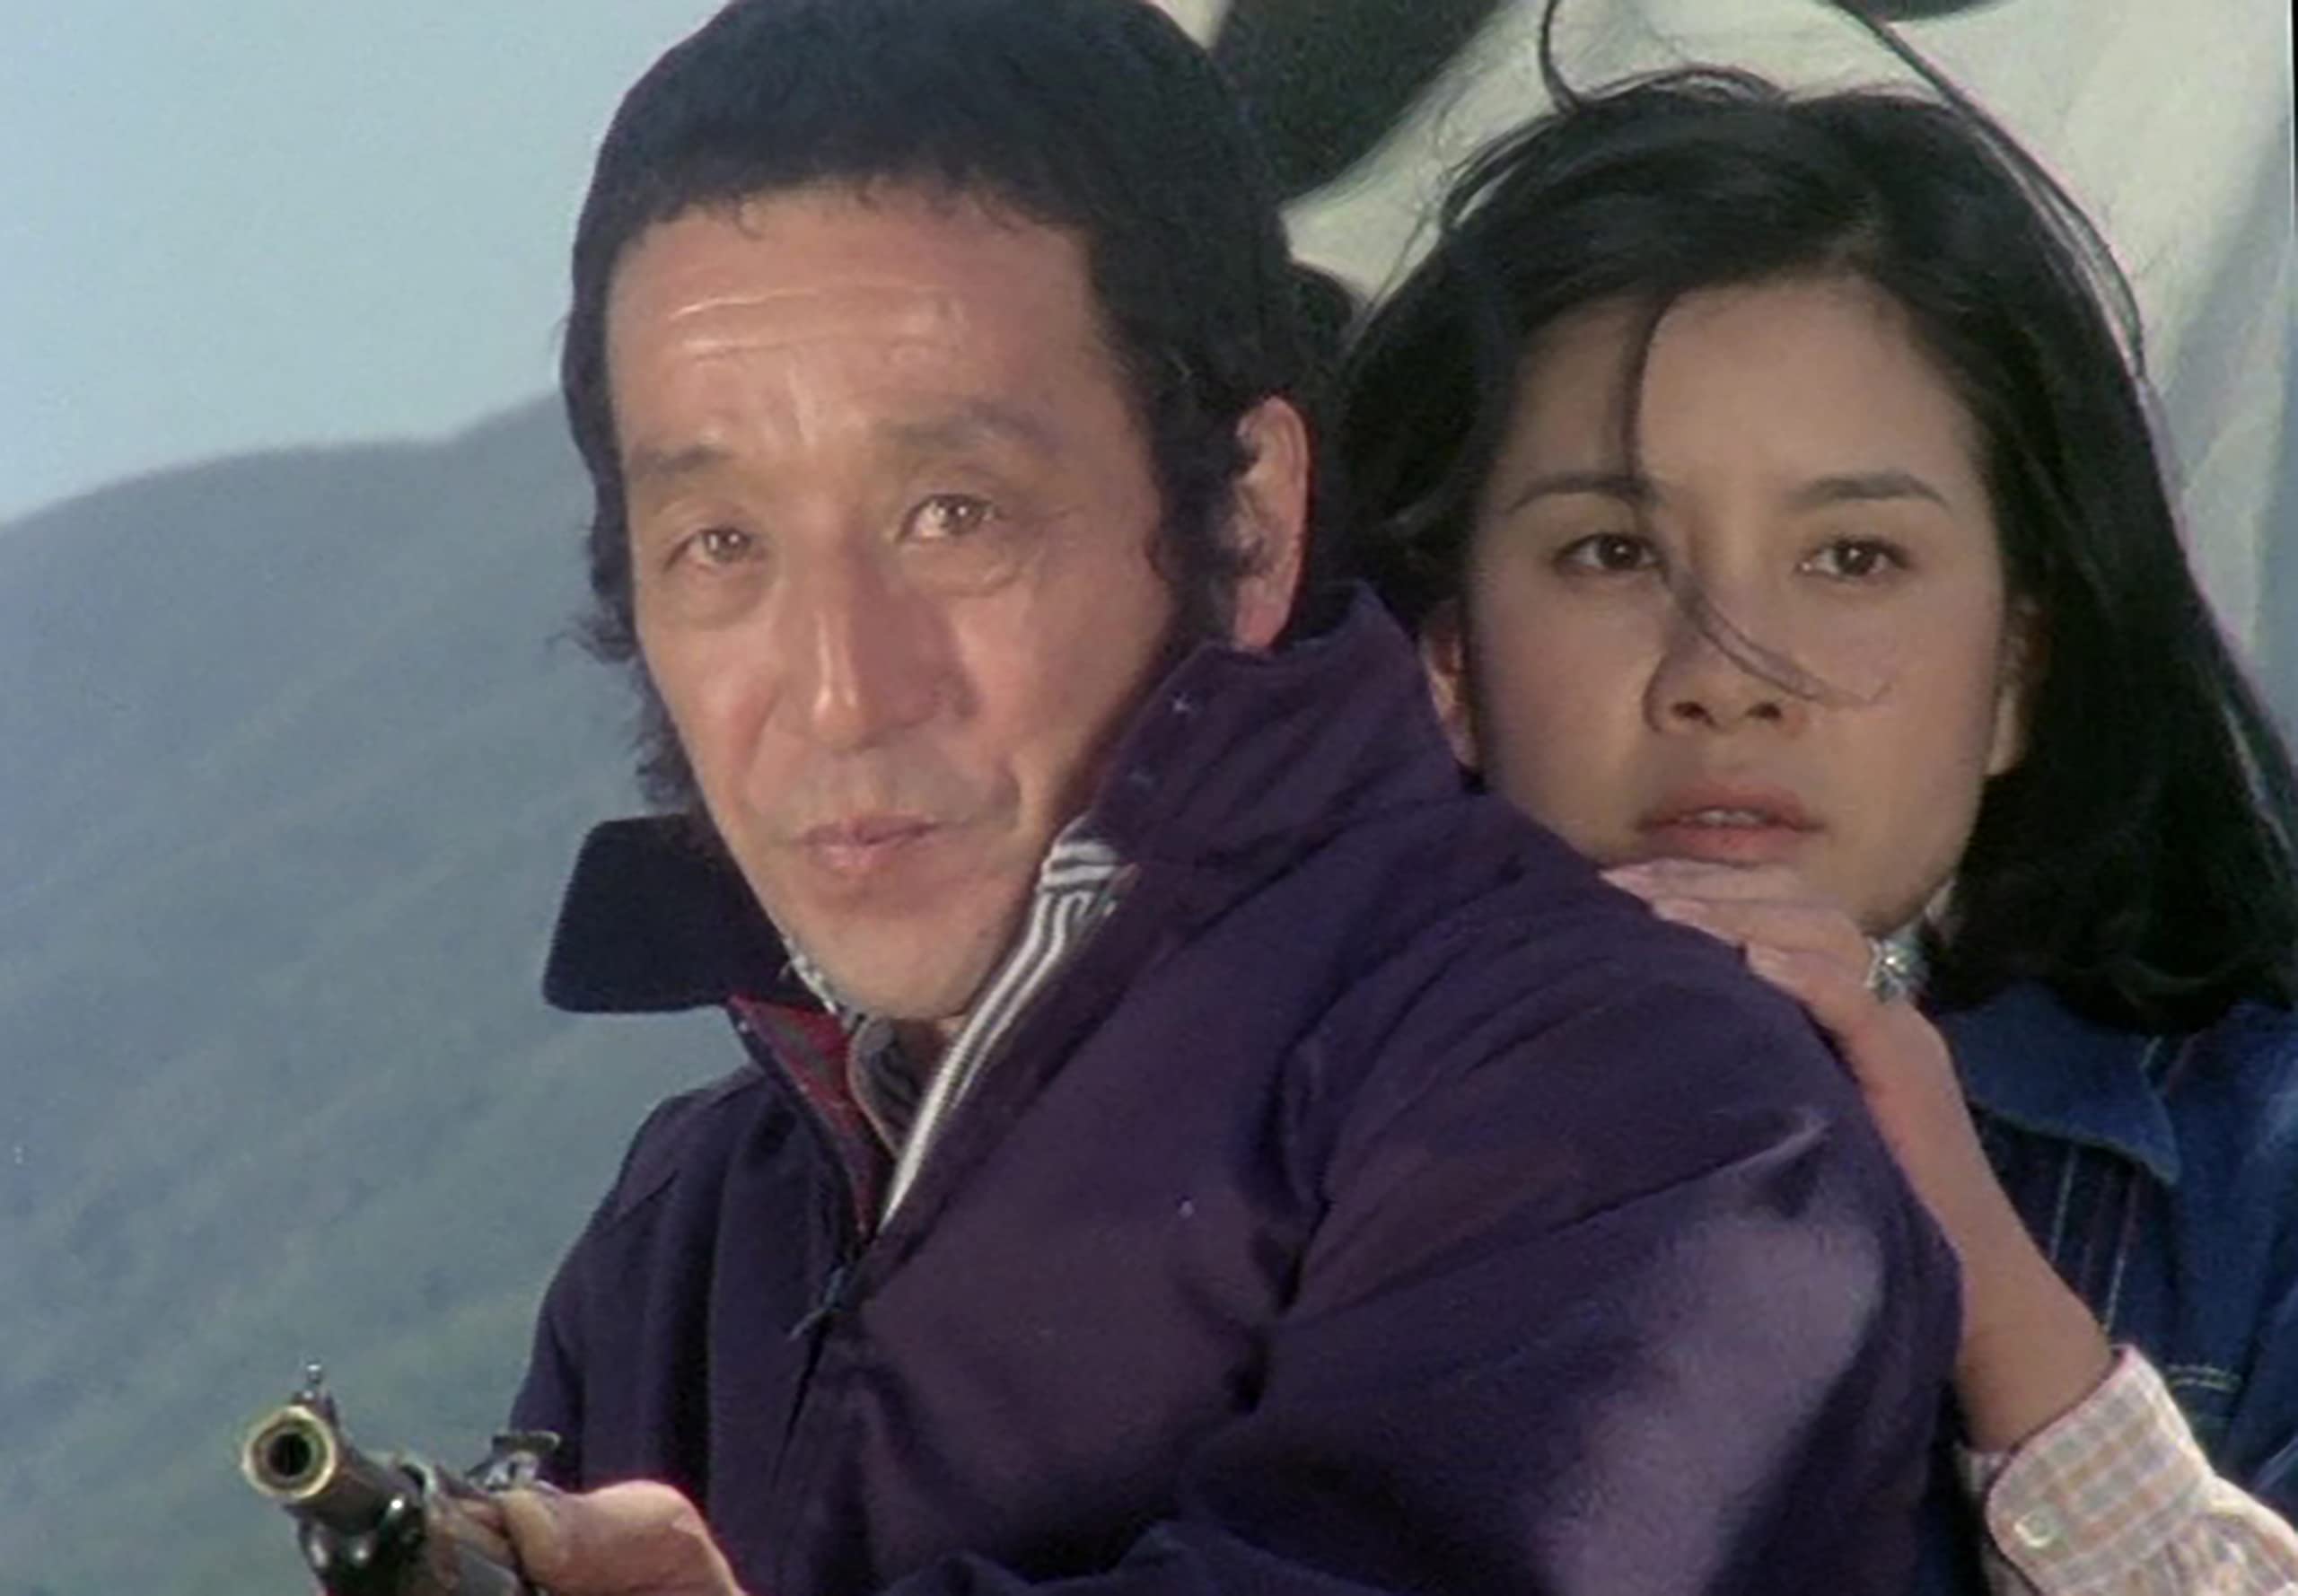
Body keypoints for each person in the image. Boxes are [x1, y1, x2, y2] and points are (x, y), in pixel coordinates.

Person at [474, 3, 1961, 1593]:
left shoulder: (1655, 1108)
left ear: (1248, 520)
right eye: (720, 544)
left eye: (953, 514)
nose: (841, 688)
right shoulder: (681, 1234)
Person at [1334, 62, 2298, 1595]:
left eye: (1853, 558)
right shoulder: (1250, 1129)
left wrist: (1987, 1285)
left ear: (2017, 673)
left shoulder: (2259, 1168)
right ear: (1451, 663)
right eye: (1611, 550)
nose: (1730, 675)